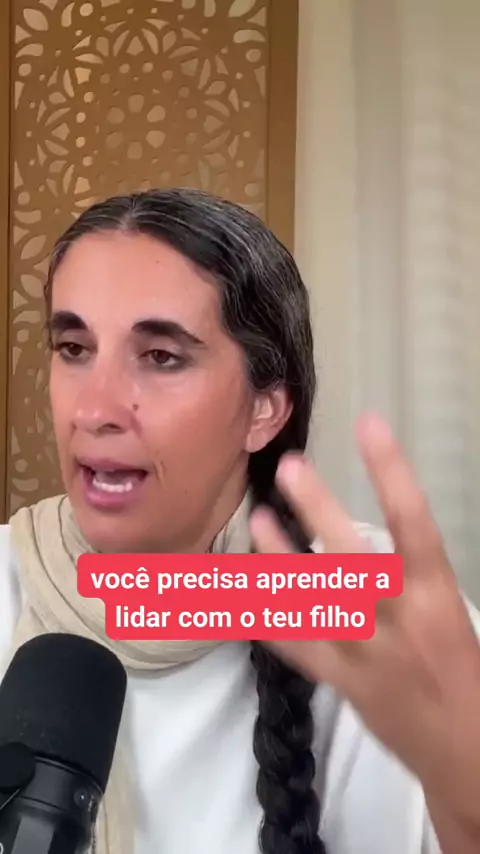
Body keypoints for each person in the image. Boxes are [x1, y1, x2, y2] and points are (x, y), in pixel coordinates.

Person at [0, 187, 479, 854]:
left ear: (265, 409)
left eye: (161, 357)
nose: (94, 410)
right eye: (74, 347)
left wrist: (464, 785)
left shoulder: (377, 617)